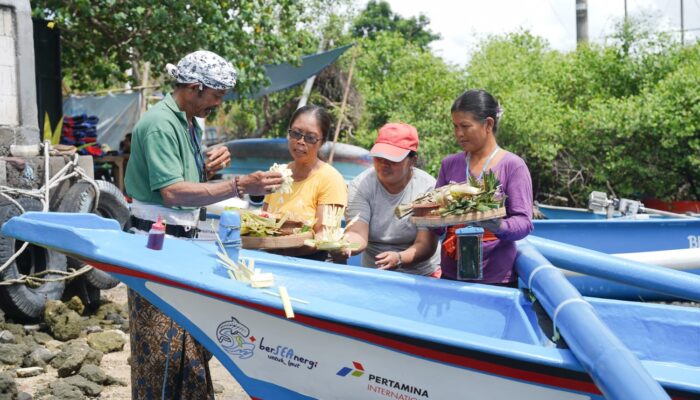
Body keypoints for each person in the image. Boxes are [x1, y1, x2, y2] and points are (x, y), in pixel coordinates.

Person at [124, 50, 283, 399]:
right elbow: (171, 192)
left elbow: (185, 179)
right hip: (155, 246)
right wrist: (239, 185)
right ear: (195, 87)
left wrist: (209, 167)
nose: (218, 104)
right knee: (160, 349)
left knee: (191, 343)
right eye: (217, 95)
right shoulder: (160, 124)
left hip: (186, 244)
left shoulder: (191, 121)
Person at [436, 89, 533, 285]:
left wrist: (498, 226)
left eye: (465, 126)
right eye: (455, 126)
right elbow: (435, 219)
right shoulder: (450, 164)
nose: (458, 134)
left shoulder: (512, 166)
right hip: (451, 276)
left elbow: (524, 222)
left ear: (488, 124)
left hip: (496, 279)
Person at [343, 123, 440, 276]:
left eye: (393, 159)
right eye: (379, 157)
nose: (384, 163)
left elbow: (425, 244)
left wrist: (399, 258)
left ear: (412, 161)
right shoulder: (360, 185)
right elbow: (357, 233)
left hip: (421, 275)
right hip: (374, 273)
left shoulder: (428, 188)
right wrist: (345, 246)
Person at [263, 105, 347, 261]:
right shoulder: (278, 173)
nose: (300, 142)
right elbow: (263, 220)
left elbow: (325, 234)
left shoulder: (330, 179)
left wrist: (288, 242)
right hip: (270, 259)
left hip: (310, 265)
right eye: (296, 134)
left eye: (310, 138)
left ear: (322, 142)